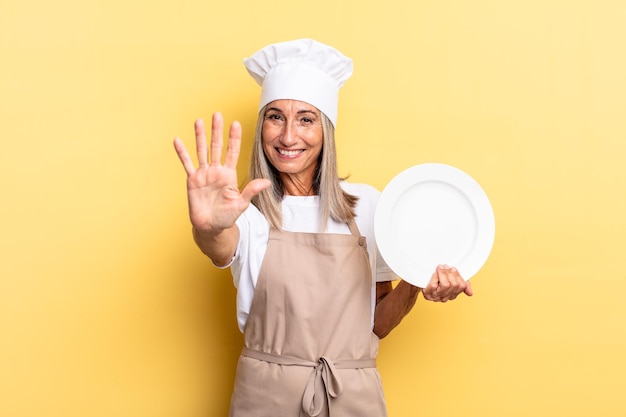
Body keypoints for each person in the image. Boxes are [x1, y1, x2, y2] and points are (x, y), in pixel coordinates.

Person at [173, 38, 472, 417]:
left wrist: (414, 278)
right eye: (275, 116)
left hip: (351, 397)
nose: (288, 136)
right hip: (265, 399)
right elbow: (220, 244)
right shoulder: (245, 212)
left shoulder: (368, 207)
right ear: (262, 125)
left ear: (326, 131)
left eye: (306, 119)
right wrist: (208, 228)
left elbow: (376, 325)